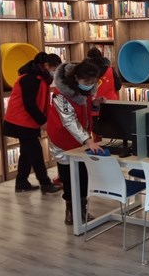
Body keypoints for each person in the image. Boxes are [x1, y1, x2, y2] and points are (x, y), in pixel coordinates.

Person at [46, 59, 103, 225]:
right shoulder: (61, 95)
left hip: (81, 140)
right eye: (86, 82)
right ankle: (70, 210)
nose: (89, 85)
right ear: (76, 78)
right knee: (68, 177)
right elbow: (69, 120)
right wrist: (88, 140)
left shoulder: (86, 90)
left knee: (83, 175)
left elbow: (85, 110)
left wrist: (95, 104)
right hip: (62, 139)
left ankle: (82, 208)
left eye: (92, 82)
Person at [3, 52, 63, 194]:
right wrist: (42, 121)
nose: (54, 73)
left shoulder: (40, 78)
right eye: (54, 69)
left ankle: (21, 182)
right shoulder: (30, 78)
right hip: (20, 122)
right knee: (35, 152)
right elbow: (29, 104)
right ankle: (45, 184)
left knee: (27, 152)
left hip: (25, 121)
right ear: (46, 65)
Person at [86, 47, 121, 140]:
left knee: (96, 135)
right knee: (111, 136)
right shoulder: (110, 70)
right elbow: (118, 86)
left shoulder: (86, 72)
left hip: (94, 108)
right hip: (111, 106)